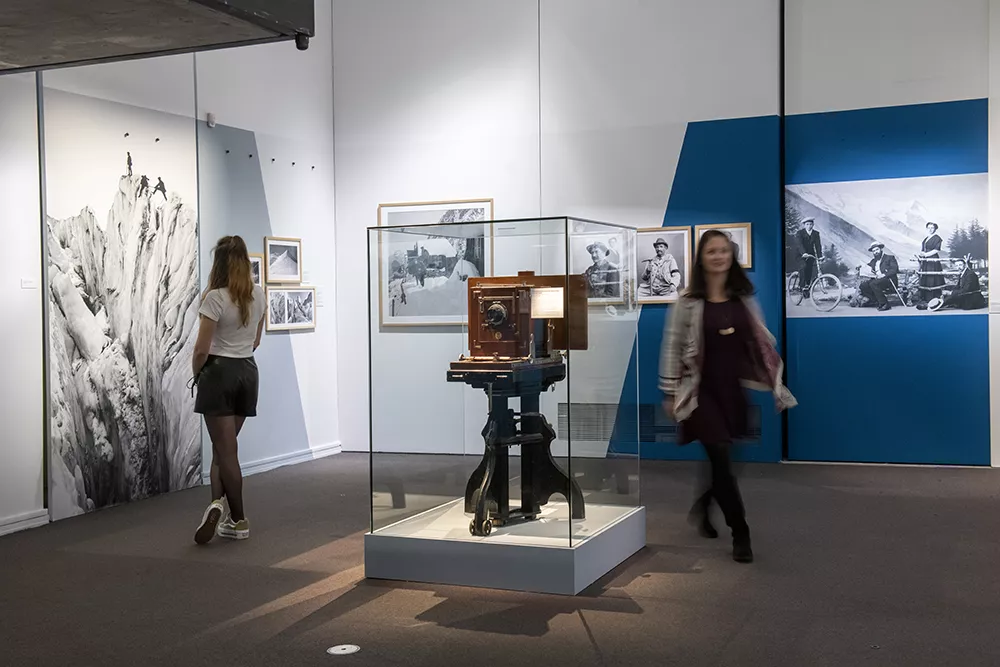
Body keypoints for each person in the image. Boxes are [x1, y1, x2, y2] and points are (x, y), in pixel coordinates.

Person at [659, 230, 796, 563]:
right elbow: (672, 346)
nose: (718, 256)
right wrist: (668, 391)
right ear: (701, 258)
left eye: (723, 251)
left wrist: (769, 368)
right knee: (721, 456)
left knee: (725, 463)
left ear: (731, 256)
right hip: (700, 393)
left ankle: (704, 505)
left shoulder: (743, 299)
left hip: (731, 392)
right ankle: (741, 533)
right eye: (711, 251)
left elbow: (759, 340)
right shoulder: (688, 303)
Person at [191, 235, 267, 545]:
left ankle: (238, 518)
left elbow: (200, 350)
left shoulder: (214, 298)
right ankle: (218, 508)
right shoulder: (259, 295)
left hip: (219, 374)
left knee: (226, 451)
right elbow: (256, 341)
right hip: (247, 373)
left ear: (218, 263)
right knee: (223, 448)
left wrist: (197, 377)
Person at [859, 242, 899, 311]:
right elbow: (867, 267)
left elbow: (894, 269)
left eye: (877, 250)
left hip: (889, 280)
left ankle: (885, 304)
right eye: (873, 251)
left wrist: (884, 275)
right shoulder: (873, 261)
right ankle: (876, 301)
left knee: (873, 283)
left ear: (881, 249)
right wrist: (860, 267)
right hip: (878, 280)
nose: (875, 252)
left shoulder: (889, 258)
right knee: (863, 286)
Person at [917, 222, 945, 304]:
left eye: (932, 228)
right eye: (928, 228)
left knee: (933, 277)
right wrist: (922, 254)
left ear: (935, 229)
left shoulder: (937, 238)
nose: (930, 229)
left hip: (933, 259)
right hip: (926, 260)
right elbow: (923, 249)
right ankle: (925, 298)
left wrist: (926, 254)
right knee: (926, 276)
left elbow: (936, 249)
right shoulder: (926, 238)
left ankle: (934, 298)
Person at [796, 217, 823, 292]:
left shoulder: (816, 233)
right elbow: (799, 244)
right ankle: (801, 286)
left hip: (811, 254)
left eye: (811, 224)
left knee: (810, 269)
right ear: (804, 225)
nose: (809, 226)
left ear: (813, 225)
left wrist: (820, 256)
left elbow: (818, 245)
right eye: (807, 224)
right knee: (803, 266)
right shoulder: (800, 233)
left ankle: (807, 286)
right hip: (800, 254)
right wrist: (804, 253)